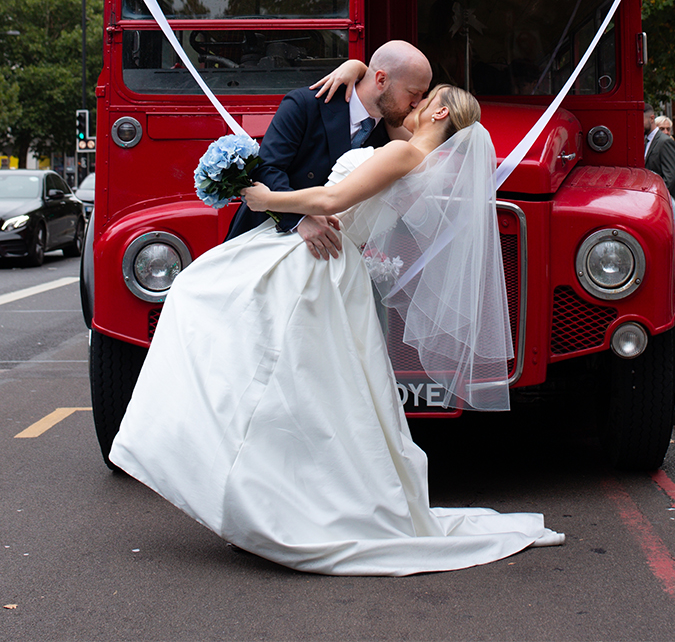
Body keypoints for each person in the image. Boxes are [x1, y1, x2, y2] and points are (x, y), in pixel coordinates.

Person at [110, 86, 564, 575]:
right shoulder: (425, 160)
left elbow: (332, 197)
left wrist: (267, 198)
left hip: (317, 260)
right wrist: (354, 70)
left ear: (438, 111)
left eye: (421, 101)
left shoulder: (402, 152)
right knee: (294, 383)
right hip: (333, 261)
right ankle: (249, 482)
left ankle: (223, 473)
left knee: (202, 303)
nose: (411, 108)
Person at [224, 40, 432, 256]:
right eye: (413, 93)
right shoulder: (305, 104)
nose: (417, 103)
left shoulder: (392, 136)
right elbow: (266, 169)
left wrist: (358, 66)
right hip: (266, 240)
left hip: (332, 258)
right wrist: (300, 218)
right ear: (380, 79)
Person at [643, 104, 675, 203]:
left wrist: (655, 197)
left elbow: (669, 178)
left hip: (660, 201)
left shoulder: (665, 141)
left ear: (652, 118)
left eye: (640, 121)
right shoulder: (646, 141)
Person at [655, 115, 675, 210]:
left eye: (668, 129)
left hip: (673, 201)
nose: (666, 132)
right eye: (662, 129)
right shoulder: (652, 151)